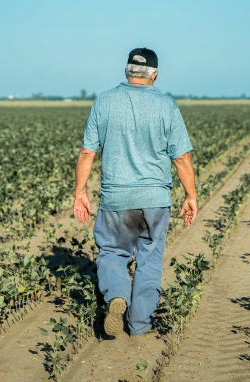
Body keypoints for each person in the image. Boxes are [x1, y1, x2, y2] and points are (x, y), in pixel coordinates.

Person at [73, 47, 198, 337]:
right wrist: (190, 196)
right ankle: (140, 325)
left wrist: (81, 191)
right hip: (155, 200)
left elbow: (86, 152)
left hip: (116, 198)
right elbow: (181, 159)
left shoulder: (103, 102)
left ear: (127, 72)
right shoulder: (166, 105)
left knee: (113, 252)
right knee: (149, 260)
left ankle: (117, 294)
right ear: (154, 75)